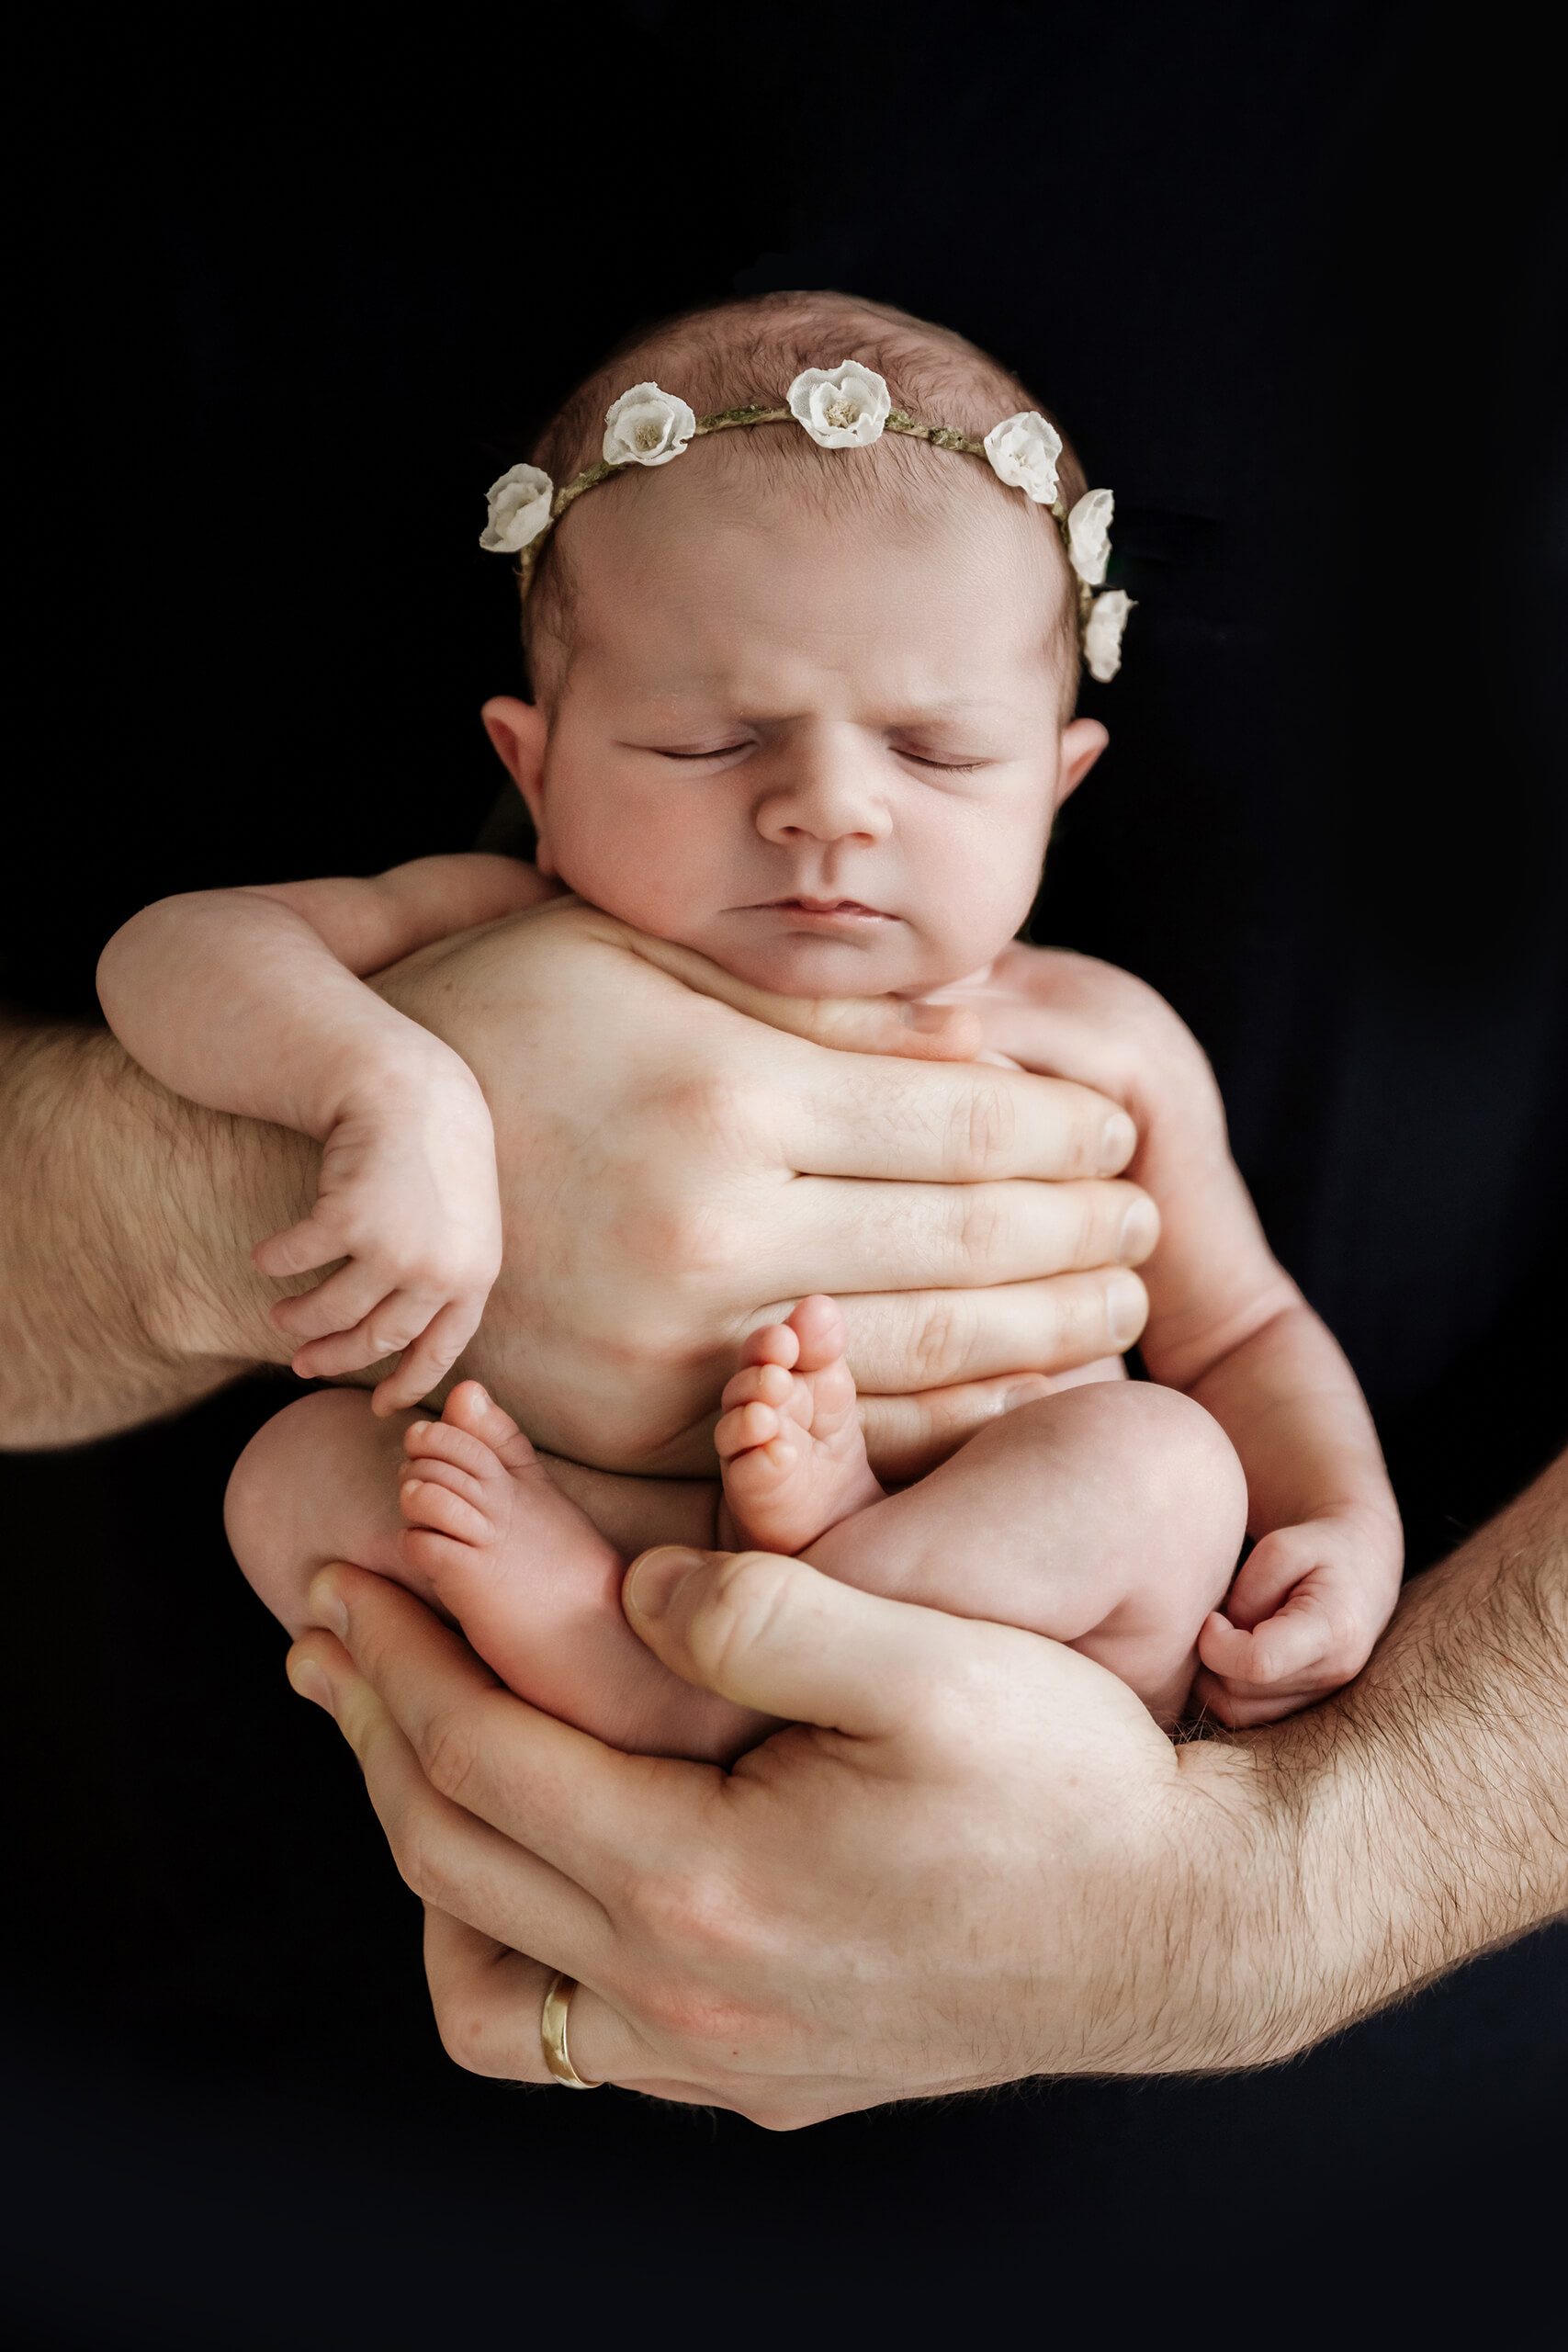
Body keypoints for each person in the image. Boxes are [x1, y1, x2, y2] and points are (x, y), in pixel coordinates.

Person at [97, 295, 1400, 1744]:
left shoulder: (1099, 1038)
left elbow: (1243, 1333)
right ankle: (634, 1656)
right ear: (535, 772)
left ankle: (822, 1588)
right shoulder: (495, 927)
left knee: (1172, 1470)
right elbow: (176, 952)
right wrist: (386, 1087)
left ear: (1058, 784)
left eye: (937, 751)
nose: (830, 809)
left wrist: (1345, 1522)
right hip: (612, 1535)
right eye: (709, 743)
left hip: (992, 1652)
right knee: (292, 1477)